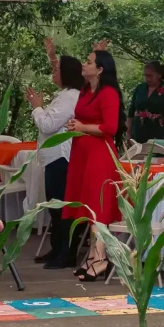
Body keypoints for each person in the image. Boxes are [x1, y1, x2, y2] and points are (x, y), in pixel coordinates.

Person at [62, 48, 124, 281]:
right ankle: (91, 255)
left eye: (88, 62)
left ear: (100, 69)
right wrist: (75, 125)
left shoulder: (108, 93)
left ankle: (100, 258)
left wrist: (82, 128)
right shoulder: (86, 91)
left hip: (100, 154)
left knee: (97, 206)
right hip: (82, 154)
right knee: (87, 205)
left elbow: (110, 128)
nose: (84, 65)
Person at [25, 47, 83, 268]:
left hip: (61, 156)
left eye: (57, 68)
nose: (54, 71)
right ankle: (57, 248)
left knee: (61, 207)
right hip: (54, 157)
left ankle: (66, 253)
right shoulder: (65, 94)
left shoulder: (70, 97)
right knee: (53, 206)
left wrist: (37, 108)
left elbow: (48, 124)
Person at [127, 61, 164, 144]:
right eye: (145, 76)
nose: (147, 79)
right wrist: (129, 134)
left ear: (159, 75)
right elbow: (131, 112)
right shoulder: (140, 88)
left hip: (158, 133)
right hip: (138, 132)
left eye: (150, 76)